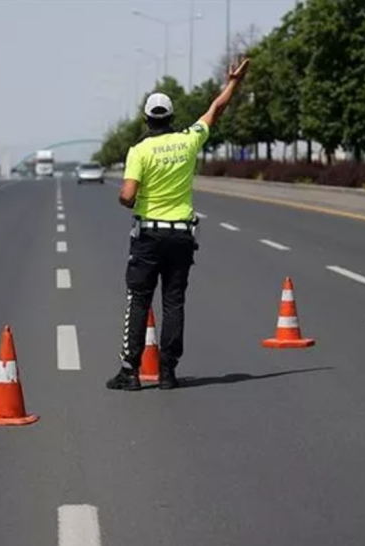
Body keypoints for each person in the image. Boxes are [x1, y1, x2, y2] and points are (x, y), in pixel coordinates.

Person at [106, 56, 250, 392]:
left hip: (148, 236)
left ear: (146, 118)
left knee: (139, 299)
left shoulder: (139, 151)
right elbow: (216, 110)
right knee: (174, 302)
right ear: (171, 117)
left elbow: (127, 195)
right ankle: (168, 372)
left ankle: (130, 371)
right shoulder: (188, 141)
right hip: (182, 237)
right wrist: (234, 82)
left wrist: (130, 198)